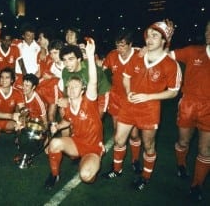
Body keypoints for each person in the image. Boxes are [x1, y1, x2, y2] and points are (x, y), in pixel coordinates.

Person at [103, 21, 182, 190]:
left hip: (150, 109)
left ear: (163, 41)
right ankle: (117, 170)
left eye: (155, 36)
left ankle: (145, 177)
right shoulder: (137, 57)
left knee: (149, 145)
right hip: (129, 104)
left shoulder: (170, 64)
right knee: (118, 139)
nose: (149, 39)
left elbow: (174, 91)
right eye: (148, 35)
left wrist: (148, 96)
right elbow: (126, 77)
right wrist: (129, 91)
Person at [44, 38, 105, 189]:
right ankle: (54, 175)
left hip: (92, 147)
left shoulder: (89, 100)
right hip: (77, 142)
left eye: (75, 87)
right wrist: (57, 126)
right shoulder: (69, 105)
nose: (71, 90)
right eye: (69, 87)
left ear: (83, 90)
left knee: (86, 176)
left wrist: (90, 56)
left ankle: (90, 162)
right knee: (55, 143)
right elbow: (67, 120)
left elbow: (92, 81)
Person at [172, 20, 210, 201]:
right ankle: (181, 164)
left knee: (205, 148)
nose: (209, 33)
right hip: (189, 104)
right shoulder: (193, 51)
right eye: (207, 30)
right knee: (183, 141)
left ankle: (197, 185)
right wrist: (167, 37)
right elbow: (167, 55)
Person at [101, 30, 142, 175]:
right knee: (118, 134)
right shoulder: (112, 55)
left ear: (131, 45)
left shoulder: (139, 55)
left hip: (132, 100)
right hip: (116, 99)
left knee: (134, 134)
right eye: (117, 46)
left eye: (123, 46)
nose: (119, 50)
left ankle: (135, 160)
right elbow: (101, 69)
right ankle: (117, 167)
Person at [59, 44, 111, 118]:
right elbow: (67, 89)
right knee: (64, 111)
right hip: (82, 94)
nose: (67, 64)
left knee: (93, 120)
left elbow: (91, 94)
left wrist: (69, 100)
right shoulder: (65, 71)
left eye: (71, 59)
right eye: (64, 60)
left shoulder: (88, 69)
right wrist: (65, 100)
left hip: (100, 94)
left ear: (79, 59)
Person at [36, 39, 65, 123]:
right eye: (51, 53)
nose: (53, 56)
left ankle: (54, 134)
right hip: (47, 90)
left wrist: (52, 76)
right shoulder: (50, 61)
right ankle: (46, 134)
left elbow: (68, 77)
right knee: (43, 115)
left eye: (55, 53)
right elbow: (41, 71)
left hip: (60, 92)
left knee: (52, 116)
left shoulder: (67, 63)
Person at [14, 24, 41, 90]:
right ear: (23, 36)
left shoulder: (39, 46)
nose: (31, 38)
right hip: (20, 75)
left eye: (32, 35)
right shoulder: (17, 45)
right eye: (28, 35)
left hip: (34, 76)